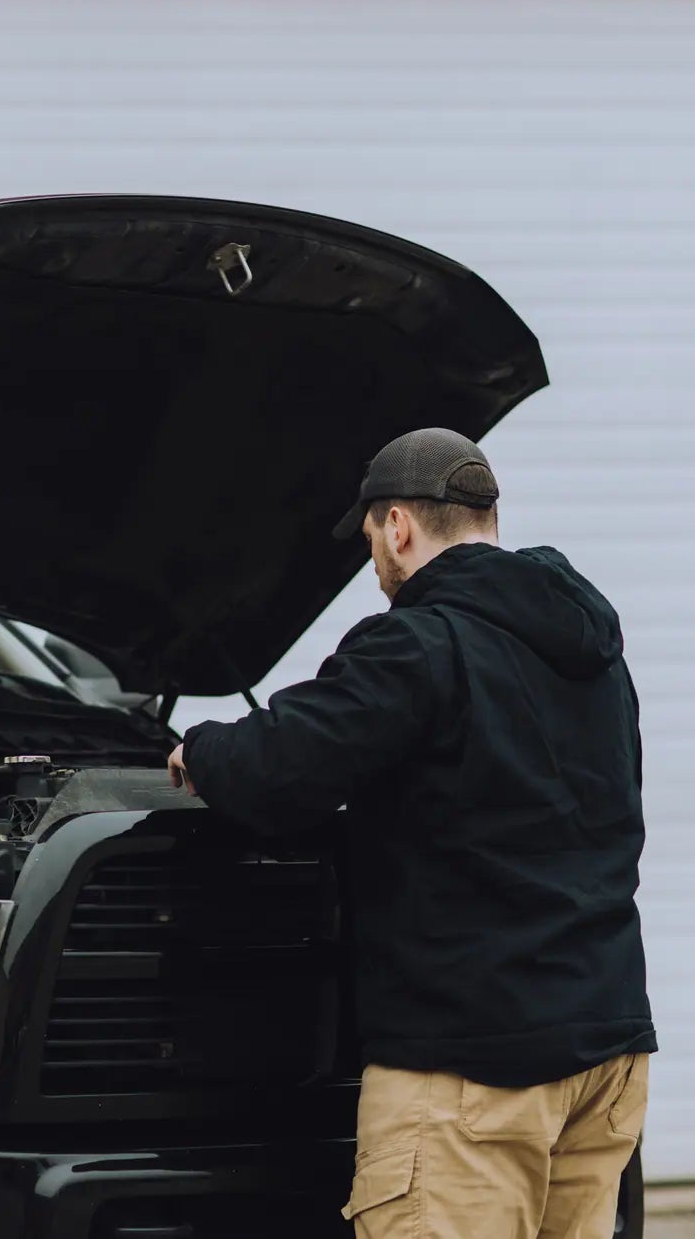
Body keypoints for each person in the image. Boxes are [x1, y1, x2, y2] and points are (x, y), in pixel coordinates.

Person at [167, 427, 654, 1239]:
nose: (376, 569)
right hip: (604, 1055)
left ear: (397, 527)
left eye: (370, 545)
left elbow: (280, 769)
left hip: (472, 1074)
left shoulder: (421, 642)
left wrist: (200, 749)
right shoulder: (592, 649)